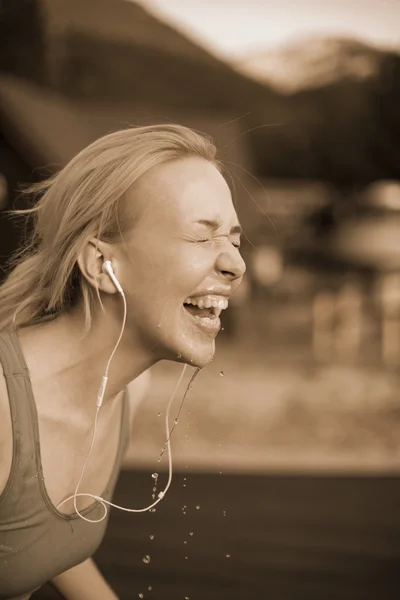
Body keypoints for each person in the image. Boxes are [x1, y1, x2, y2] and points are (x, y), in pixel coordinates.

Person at [0, 124, 246, 600]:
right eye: (202, 238)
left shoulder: (126, 390)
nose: (236, 264)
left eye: (234, 239)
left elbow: (31, 538)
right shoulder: (2, 411)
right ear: (100, 266)